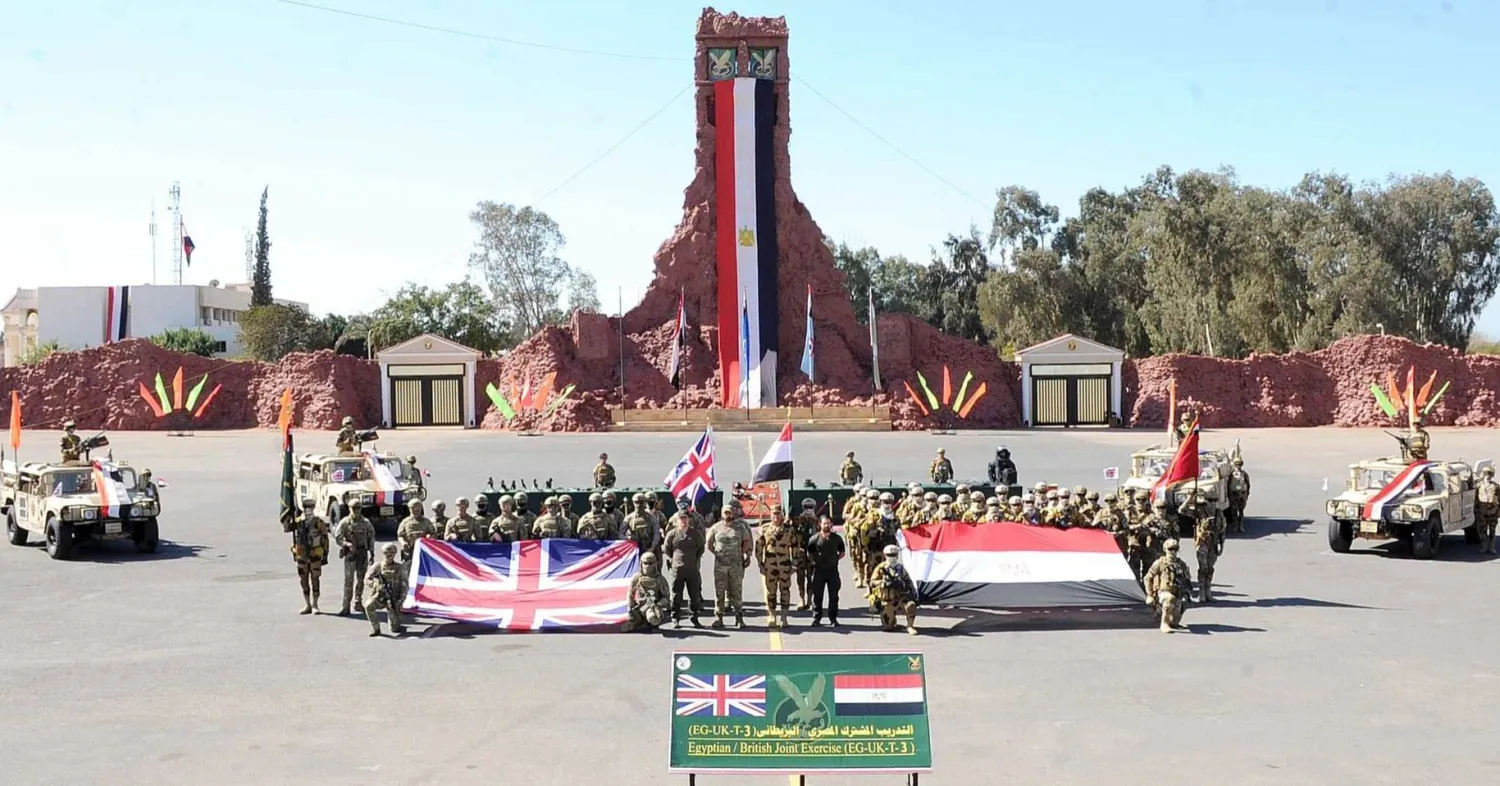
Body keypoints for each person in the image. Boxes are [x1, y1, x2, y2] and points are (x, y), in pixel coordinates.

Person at [705, 504, 753, 629]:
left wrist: (742, 554)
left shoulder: (740, 527)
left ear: (733, 514)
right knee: (719, 592)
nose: (728, 515)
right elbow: (709, 543)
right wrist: (717, 553)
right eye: (725, 513)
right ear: (722, 514)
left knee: (736, 591)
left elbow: (747, 542)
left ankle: (739, 618)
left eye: (730, 512)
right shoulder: (716, 528)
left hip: (735, 565)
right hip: (720, 566)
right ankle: (719, 617)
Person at [756, 505, 800, 628]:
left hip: (785, 566)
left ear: (782, 514)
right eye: (773, 514)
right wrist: (760, 564)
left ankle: (784, 617)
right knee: (771, 592)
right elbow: (759, 547)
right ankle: (772, 616)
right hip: (770, 567)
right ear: (770, 515)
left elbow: (795, 546)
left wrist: (794, 564)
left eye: (778, 513)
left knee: (785, 591)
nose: (776, 516)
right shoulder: (764, 529)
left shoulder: (789, 529)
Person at [285, 497, 330, 614]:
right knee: (303, 581)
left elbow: (325, 539)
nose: (308, 510)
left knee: (315, 579)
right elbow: (287, 528)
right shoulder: (298, 522)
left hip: (315, 555)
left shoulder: (318, 522)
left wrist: (325, 554)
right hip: (302, 556)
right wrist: (287, 518)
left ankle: (315, 604)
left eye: (310, 507)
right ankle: (307, 604)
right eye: (305, 507)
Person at [334, 492, 377, 616]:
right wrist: (346, 544)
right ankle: (345, 606)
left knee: (361, 580)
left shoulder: (366, 523)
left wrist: (372, 553)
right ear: (349, 509)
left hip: (362, 554)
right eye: (354, 508)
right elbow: (338, 537)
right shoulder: (345, 523)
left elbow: (371, 537)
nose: (356, 511)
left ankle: (358, 602)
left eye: (358, 508)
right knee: (348, 581)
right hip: (350, 555)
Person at [662, 510, 705, 628]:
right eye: (681, 519)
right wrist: (674, 559)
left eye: (685, 518)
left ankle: (694, 617)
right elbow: (667, 549)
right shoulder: (672, 534)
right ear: (677, 521)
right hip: (677, 570)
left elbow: (701, 548)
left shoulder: (695, 534)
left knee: (694, 595)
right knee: (676, 595)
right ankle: (675, 617)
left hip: (692, 569)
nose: (684, 521)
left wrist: (694, 559)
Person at [1143, 539, 1192, 633]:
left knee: (1178, 614)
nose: (1173, 552)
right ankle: (1164, 623)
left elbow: (1187, 579)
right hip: (1163, 592)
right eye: (1170, 549)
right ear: (1165, 549)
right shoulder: (1160, 563)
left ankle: (1169, 619)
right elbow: (1147, 578)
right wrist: (1149, 595)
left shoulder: (1181, 564)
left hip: (1177, 592)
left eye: (1175, 549)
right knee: (1169, 599)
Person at [805, 515, 845, 627]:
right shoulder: (814, 539)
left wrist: (834, 559)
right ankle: (816, 619)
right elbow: (809, 554)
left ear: (831, 524)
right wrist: (816, 562)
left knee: (834, 596)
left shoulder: (837, 539)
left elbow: (842, 553)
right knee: (817, 596)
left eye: (828, 523)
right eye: (824, 523)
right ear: (820, 525)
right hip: (819, 571)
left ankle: (833, 619)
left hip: (832, 571)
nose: (827, 525)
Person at [870, 544, 918, 635]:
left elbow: (908, 581)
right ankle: (891, 620)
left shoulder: (900, 568)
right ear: (885, 555)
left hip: (900, 598)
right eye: (889, 555)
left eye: (894, 555)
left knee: (911, 605)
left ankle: (910, 626)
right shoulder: (881, 568)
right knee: (887, 628)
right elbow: (872, 582)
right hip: (887, 600)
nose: (892, 557)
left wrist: (912, 593)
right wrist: (883, 583)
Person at [364, 543, 407, 637]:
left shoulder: (400, 568)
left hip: (393, 600)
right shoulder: (378, 566)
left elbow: (405, 585)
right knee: (368, 605)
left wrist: (401, 601)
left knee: (395, 629)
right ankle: (376, 629)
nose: (389, 555)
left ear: (395, 553)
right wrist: (375, 584)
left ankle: (396, 623)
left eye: (391, 552)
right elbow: (367, 579)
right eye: (386, 552)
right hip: (379, 597)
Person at [1186, 491, 1223, 602]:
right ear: (1206, 501)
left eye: (1215, 500)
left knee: (1210, 568)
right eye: (1210, 500)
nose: (1213, 503)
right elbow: (1182, 510)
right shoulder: (1199, 512)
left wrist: (1222, 545)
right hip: (1202, 543)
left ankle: (1208, 591)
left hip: (1214, 543)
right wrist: (1190, 498)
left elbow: (1222, 530)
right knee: (1203, 567)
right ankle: (1201, 592)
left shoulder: (1218, 513)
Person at [622, 552, 671, 632]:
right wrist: (630, 606)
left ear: (655, 564)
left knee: (652, 617)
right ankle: (641, 623)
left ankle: (652, 624)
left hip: (651, 608)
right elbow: (630, 593)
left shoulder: (660, 579)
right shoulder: (637, 577)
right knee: (627, 627)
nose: (648, 566)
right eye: (645, 563)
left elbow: (666, 597)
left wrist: (658, 605)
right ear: (641, 564)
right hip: (639, 607)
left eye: (650, 563)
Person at [791, 498, 819, 610]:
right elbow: (791, 528)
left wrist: (814, 520)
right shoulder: (799, 520)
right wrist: (791, 516)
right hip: (801, 552)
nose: (808, 510)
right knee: (800, 576)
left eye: (810, 507)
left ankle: (810, 600)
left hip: (813, 553)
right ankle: (801, 599)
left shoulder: (817, 521)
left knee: (811, 577)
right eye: (806, 507)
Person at [1478, 466, 1499, 554]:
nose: (1488, 476)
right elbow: (1475, 499)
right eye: (1486, 474)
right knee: (1482, 530)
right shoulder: (1479, 486)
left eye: (1489, 474)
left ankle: (1492, 547)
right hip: (1482, 512)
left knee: (1492, 530)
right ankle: (1484, 546)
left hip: (1493, 512)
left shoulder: (1496, 487)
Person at [1227, 456, 1251, 534]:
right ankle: (1235, 525)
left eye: (1239, 464)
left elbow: (1248, 484)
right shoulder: (1231, 474)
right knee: (1234, 511)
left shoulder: (1244, 474)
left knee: (1241, 511)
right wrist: (1229, 494)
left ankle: (1240, 526)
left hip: (1242, 494)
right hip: (1234, 494)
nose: (1238, 466)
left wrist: (1246, 494)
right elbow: (1228, 484)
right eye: (1237, 464)